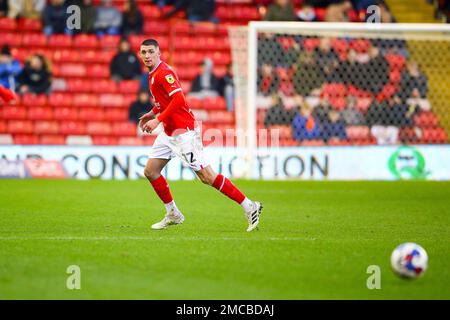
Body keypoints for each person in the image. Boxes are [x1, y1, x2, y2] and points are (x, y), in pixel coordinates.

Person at [137, 39, 263, 231]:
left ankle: (250, 206)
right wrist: (152, 113)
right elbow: (165, 100)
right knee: (151, 171)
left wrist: (158, 120)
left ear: (159, 53)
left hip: (183, 132)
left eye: (150, 52)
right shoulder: (153, 74)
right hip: (169, 132)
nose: (147, 56)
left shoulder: (164, 72)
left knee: (206, 176)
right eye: (143, 52)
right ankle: (173, 213)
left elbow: (178, 100)